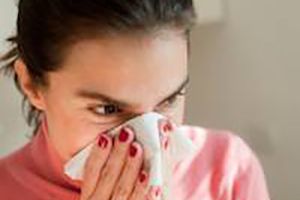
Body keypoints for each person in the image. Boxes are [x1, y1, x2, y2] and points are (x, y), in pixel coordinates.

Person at [0, 0, 270, 199]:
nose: (147, 141)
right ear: (32, 84)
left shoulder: (228, 168)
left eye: (170, 99)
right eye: (108, 109)